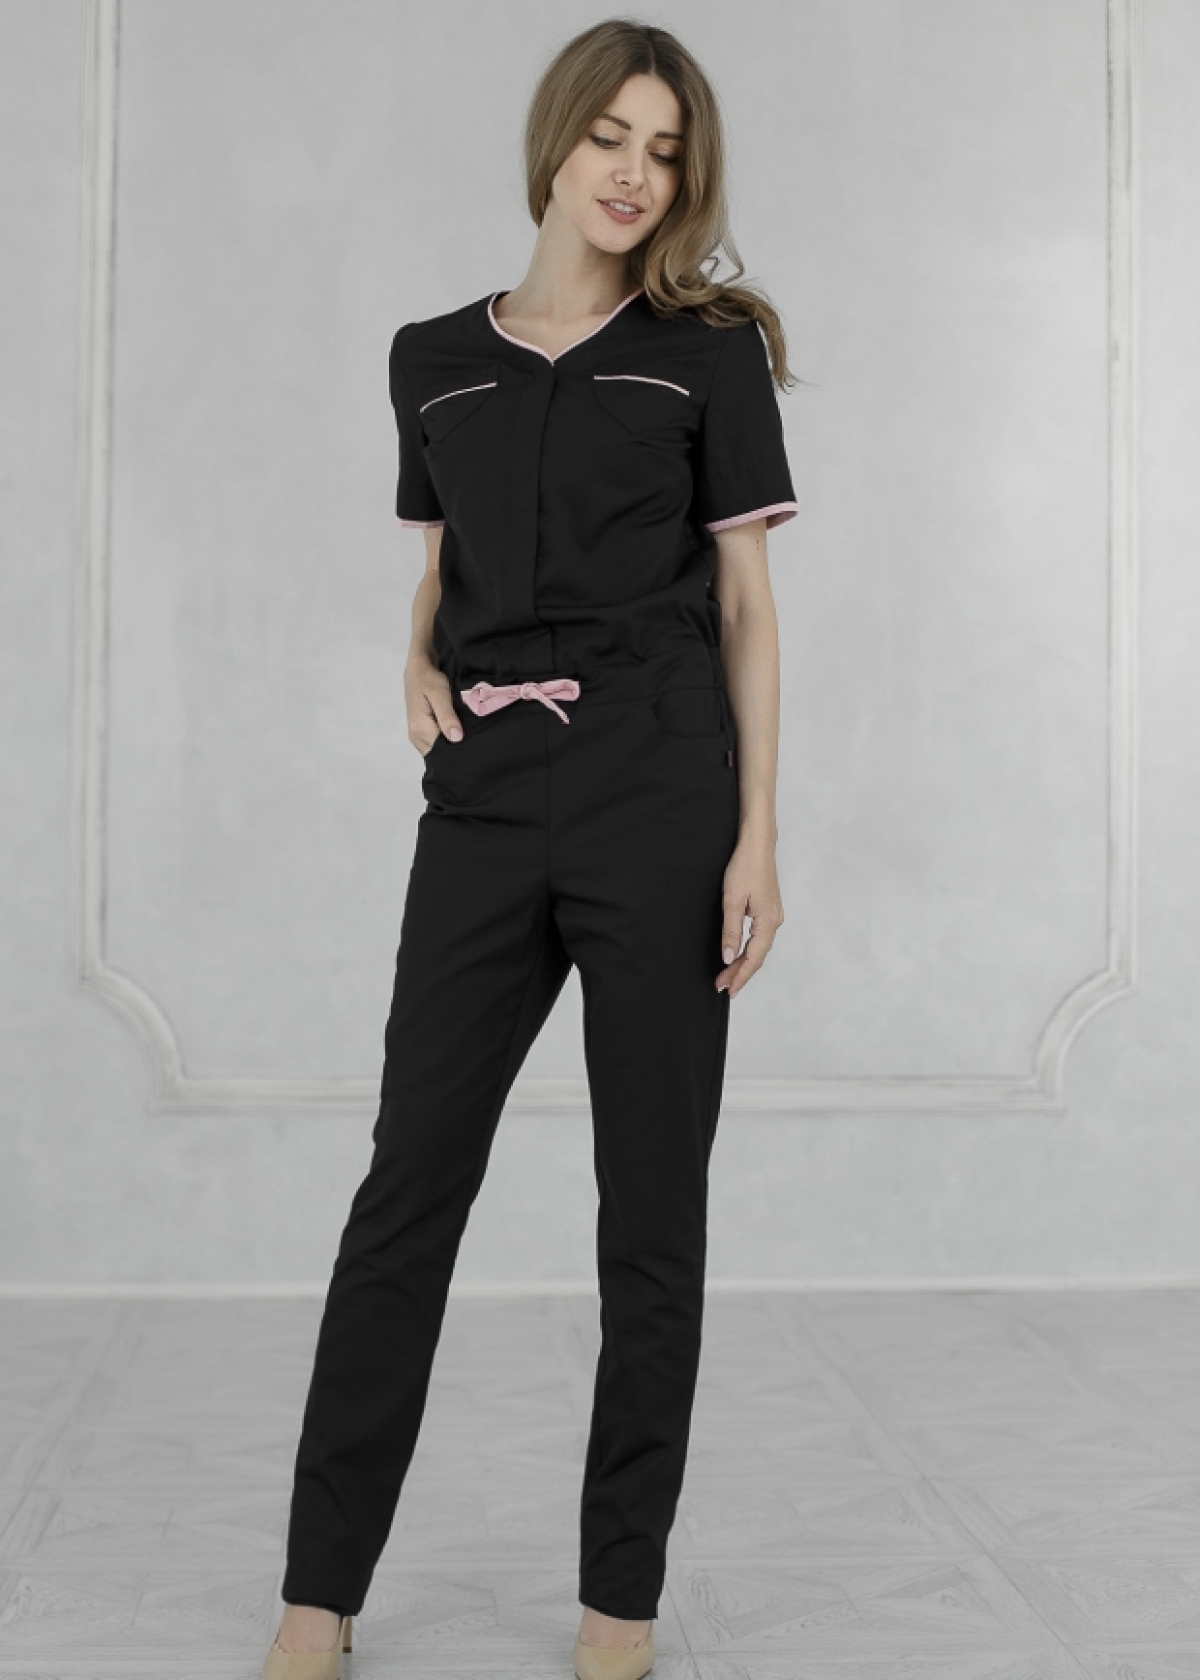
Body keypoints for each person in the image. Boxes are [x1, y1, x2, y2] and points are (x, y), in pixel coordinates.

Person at [263, 18, 797, 1680]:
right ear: (556, 143)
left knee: (651, 1213)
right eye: (611, 138)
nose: (635, 173)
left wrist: (758, 835)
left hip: (662, 796)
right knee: (407, 1186)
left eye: (666, 152)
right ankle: (317, 1596)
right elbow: (441, 566)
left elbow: (747, 608)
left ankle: (618, 1607)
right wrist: (412, 656)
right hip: (484, 803)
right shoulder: (432, 356)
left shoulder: (706, 354)